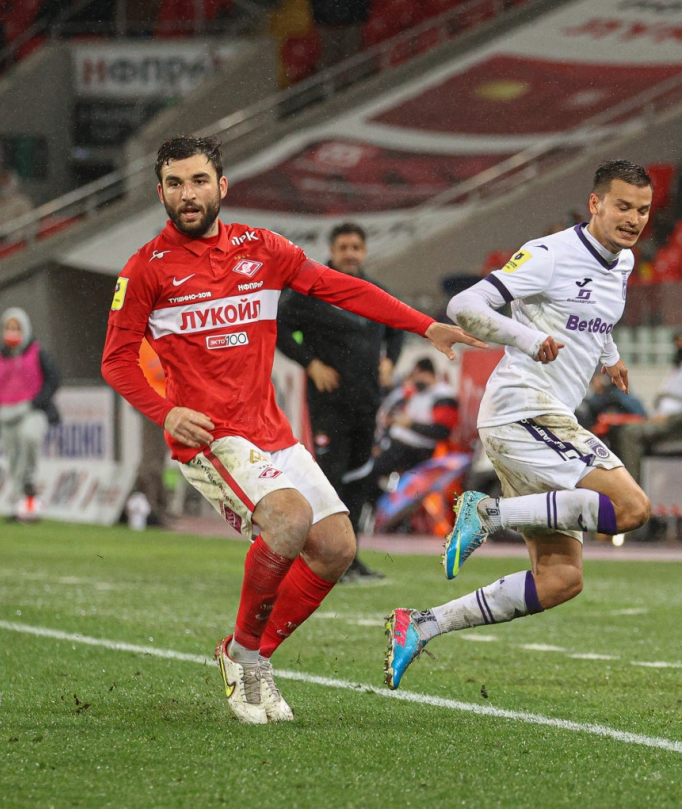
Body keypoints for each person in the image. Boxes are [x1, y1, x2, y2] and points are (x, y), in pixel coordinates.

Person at [100, 135, 483, 724]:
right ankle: (246, 658)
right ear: (160, 193)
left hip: (270, 431)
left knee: (336, 548)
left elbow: (344, 288)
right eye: (175, 184)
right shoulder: (145, 270)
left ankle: (247, 654)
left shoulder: (263, 249)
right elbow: (116, 361)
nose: (188, 194)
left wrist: (423, 326)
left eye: (198, 181)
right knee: (288, 517)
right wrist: (165, 412)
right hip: (210, 437)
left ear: (222, 186)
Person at [383, 160, 654, 690]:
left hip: (541, 419)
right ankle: (489, 512)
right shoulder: (550, 253)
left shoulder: (622, 262)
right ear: (595, 204)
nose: (633, 219)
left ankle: (421, 624)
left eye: (643, 210)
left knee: (560, 580)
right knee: (631, 508)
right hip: (523, 409)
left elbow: (594, 317)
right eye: (623, 206)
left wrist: (610, 356)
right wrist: (528, 339)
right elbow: (464, 304)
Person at [276, 221, 404, 580]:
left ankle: (350, 557)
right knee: (329, 480)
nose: (350, 254)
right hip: (329, 402)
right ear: (331, 251)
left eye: (356, 247)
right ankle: (322, 559)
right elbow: (278, 327)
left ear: (364, 251)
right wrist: (311, 363)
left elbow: (396, 330)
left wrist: (390, 361)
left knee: (359, 480)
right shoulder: (310, 290)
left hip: (366, 402)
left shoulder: (375, 291)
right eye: (343, 247)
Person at [612, 326, 682, 483]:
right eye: (677, 341)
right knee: (615, 429)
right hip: (669, 422)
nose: (679, 345)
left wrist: (668, 419)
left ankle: (632, 488)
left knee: (630, 433)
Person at [0, 308, 61, 521]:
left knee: (29, 437)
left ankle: (29, 484)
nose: (12, 332)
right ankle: (21, 504)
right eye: (9, 327)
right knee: (14, 460)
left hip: (31, 411)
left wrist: (35, 403)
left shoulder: (37, 352)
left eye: (16, 328)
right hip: (6, 415)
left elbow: (53, 379)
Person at [367, 358, 459, 517]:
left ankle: (385, 512)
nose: (415, 380)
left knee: (372, 472)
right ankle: (382, 511)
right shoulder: (415, 393)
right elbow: (391, 418)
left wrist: (410, 425)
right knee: (368, 470)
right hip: (397, 444)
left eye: (419, 375)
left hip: (418, 450)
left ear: (429, 374)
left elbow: (442, 431)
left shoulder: (443, 395)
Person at [310, 0, 370, 70]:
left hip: (350, 25)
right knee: (331, 58)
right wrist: (319, 21)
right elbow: (316, 0)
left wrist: (359, 18)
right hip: (328, 28)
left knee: (352, 57)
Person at [576, 369, 646, 429]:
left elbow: (639, 413)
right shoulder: (593, 400)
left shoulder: (616, 395)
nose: (598, 381)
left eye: (599, 377)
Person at [0, 169, 35, 237]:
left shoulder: (22, 200)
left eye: (4, 178)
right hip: (4, 241)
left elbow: (31, 224)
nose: (1, 183)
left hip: (23, 239)